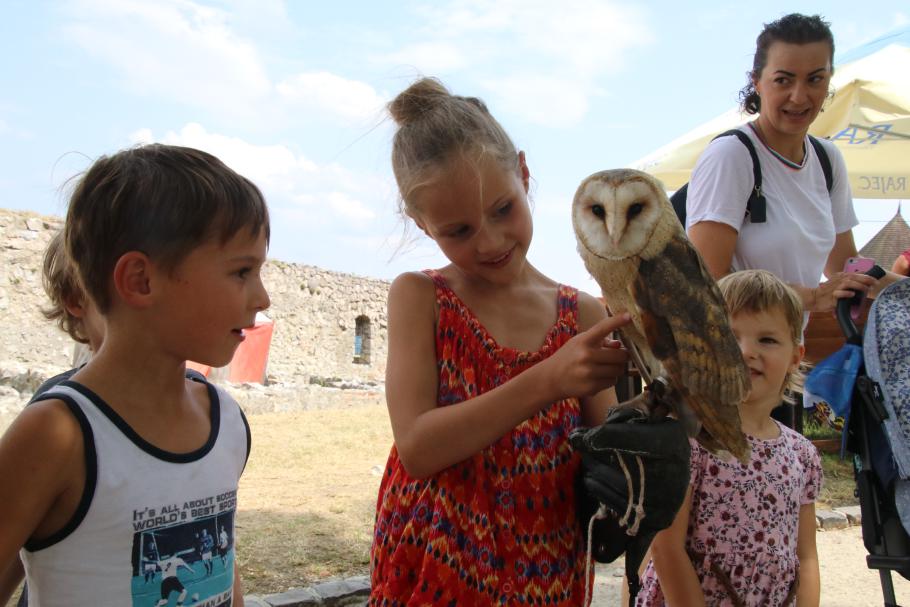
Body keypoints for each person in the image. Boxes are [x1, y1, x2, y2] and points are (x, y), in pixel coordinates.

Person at [369, 77, 631, 606]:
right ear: (422, 223)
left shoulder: (580, 312)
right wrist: (547, 380)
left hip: (549, 568)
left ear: (525, 173)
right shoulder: (420, 297)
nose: (489, 241)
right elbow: (418, 447)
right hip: (437, 568)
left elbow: (612, 448)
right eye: (459, 231)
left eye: (504, 209)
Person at [0, 143, 269, 606]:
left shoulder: (224, 419)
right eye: (242, 271)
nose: (262, 298)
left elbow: (222, 565)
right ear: (141, 281)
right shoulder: (59, 435)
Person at [686, 13, 902, 314]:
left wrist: (903, 289)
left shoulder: (828, 159)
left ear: (829, 81)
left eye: (815, 79)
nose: (799, 97)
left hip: (784, 355)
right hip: (732, 354)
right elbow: (706, 285)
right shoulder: (732, 155)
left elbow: (845, 266)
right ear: (757, 82)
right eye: (783, 80)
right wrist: (810, 298)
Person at [637, 269, 821, 606]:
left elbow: (806, 557)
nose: (746, 351)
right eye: (729, 337)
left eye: (767, 339)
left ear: (795, 356)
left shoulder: (802, 454)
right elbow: (665, 547)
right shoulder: (691, 439)